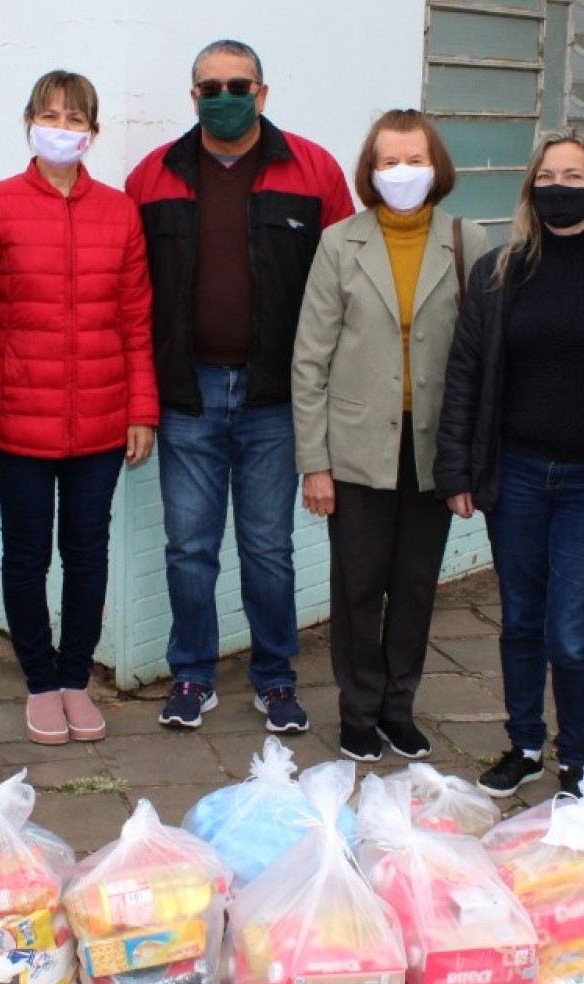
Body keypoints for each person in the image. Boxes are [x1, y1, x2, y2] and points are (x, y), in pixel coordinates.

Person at [126, 39, 353, 733]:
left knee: (268, 548)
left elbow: (343, 288)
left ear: (263, 92)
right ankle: (192, 675)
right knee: (189, 548)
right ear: (193, 96)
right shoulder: (153, 176)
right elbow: (131, 293)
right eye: (210, 87)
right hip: (188, 397)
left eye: (238, 85)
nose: (224, 97)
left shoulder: (313, 171)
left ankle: (275, 678)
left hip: (274, 398)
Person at [435, 128, 584, 798]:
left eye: (573, 176)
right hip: (518, 477)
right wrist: (456, 469)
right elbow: (465, 373)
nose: (558, 188)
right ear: (530, 188)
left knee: (570, 633)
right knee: (521, 621)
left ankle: (579, 757)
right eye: (547, 177)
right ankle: (526, 744)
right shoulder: (498, 273)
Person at [0, 71, 156, 746]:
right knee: (26, 556)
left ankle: (75, 676)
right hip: (16, 421)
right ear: (29, 122)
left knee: (87, 551)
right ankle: (40, 682)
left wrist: (141, 409)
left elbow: (136, 319)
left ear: (93, 133)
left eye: (75, 118)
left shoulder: (119, 213)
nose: (62, 128)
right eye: (49, 115)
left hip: (100, 423)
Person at [291, 111, 487, 763]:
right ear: (370, 172)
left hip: (434, 448)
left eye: (415, 160)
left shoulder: (467, 240)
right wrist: (314, 463)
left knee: (415, 584)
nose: (403, 172)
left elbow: (482, 355)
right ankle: (358, 709)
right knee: (358, 586)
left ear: (437, 167)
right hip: (355, 449)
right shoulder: (339, 243)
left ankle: (398, 707)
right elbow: (310, 360)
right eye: (389, 161)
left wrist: (471, 458)